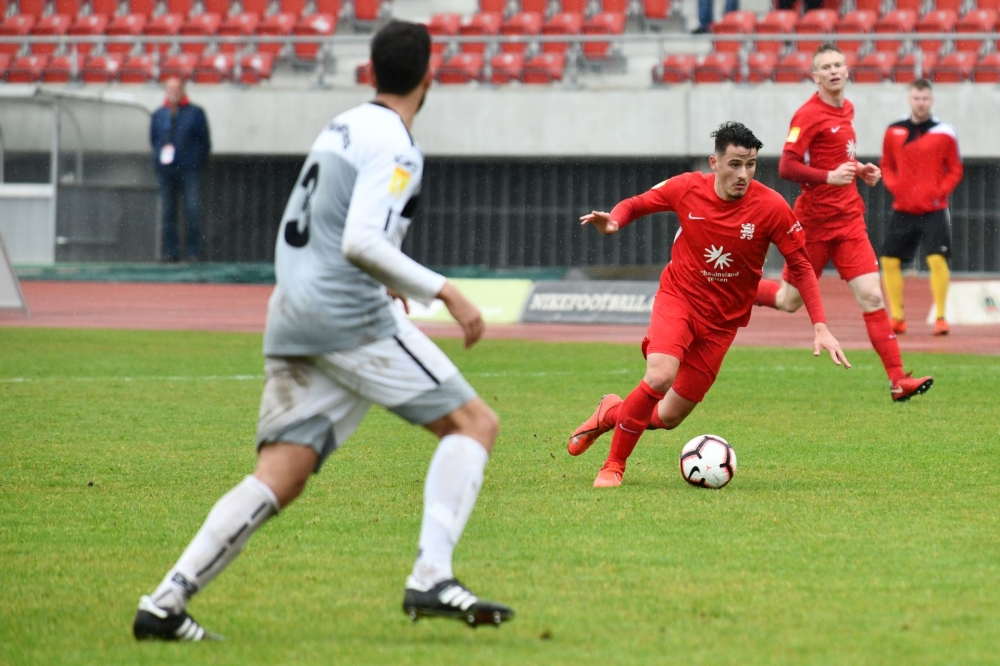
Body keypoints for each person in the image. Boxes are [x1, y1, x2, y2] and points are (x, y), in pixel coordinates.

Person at [132, 21, 513, 642]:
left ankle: (165, 603)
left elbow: (319, 223)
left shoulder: (342, 126)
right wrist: (443, 289)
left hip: (291, 310)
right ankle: (432, 575)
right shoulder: (396, 143)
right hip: (345, 315)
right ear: (428, 76)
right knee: (475, 424)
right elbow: (360, 239)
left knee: (281, 473)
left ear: (370, 71)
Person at [568, 121, 850, 489]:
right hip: (679, 299)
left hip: (722, 324)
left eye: (750, 165)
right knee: (659, 375)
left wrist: (820, 326)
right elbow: (637, 204)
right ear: (714, 162)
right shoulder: (686, 187)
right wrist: (615, 221)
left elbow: (802, 266)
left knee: (668, 416)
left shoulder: (772, 207)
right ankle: (613, 466)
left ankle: (610, 413)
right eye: (734, 164)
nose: (743, 174)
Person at [753, 42, 933, 403]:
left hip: (849, 220)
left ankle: (898, 380)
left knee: (870, 294)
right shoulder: (807, 115)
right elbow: (787, 166)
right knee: (789, 302)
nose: (834, 71)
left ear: (847, 71)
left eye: (839, 64)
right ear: (815, 76)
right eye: (826, 67)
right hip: (814, 224)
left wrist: (859, 169)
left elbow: (838, 157)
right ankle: (742, 285)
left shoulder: (847, 108)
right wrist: (826, 176)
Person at [880, 79, 963, 336]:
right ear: (910, 99)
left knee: (937, 259)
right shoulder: (893, 130)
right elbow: (886, 165)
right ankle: (898, 317)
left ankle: (940, 317)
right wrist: (896, 188)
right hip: (903, 208)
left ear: (932, 100)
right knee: (889, 261)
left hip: (934, 210)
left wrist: (938, 194)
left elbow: (955, 169)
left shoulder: (945, 131)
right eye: (917, 98)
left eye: (925, 98)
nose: (921, 103)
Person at [150, 77, 211, 262]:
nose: (173, 91)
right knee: (168, 212)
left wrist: (195, 161)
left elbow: (204, 141)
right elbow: (154, 140)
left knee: (192, 210)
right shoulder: (159, 114)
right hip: (166, 171)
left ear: (183, 89)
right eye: (170, 88)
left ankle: (193, 252)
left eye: (177, 88)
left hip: (189, 169)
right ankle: (171, 252)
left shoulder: (195, 113)